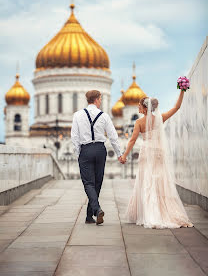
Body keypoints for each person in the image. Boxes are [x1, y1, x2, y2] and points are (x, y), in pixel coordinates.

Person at [120, 90, 194, 229]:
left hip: (147, 152)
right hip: (159, 152)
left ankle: (150, 212)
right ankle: (162, 210)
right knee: (160, 180)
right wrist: (182, 91)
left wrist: (124, 155)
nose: (138, 108)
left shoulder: (139, 122)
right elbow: (176, 107)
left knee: (147, 180)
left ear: (145, 108)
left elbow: (132, 141)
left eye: (139, 106)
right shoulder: (161, 118)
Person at [71, 90, 123, 225]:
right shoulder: (104, 116)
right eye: (100, 99)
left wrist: (79, 154)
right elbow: (113, 136)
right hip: (100, 149)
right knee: (97, 182)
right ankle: (90, 215)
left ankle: (96, 209)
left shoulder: (77, 115)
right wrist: (119, 154)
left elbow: (75, 137)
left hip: (86, 150)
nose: (101, 101)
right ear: (97, 99)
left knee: (88, 183)